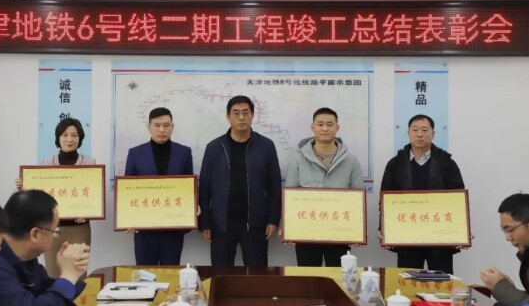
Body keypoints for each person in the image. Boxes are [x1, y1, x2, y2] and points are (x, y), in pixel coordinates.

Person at [199, 95, 282, 267]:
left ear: (252, 115)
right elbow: (205, 188)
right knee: (221, 275)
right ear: (228, 116)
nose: (241, 117)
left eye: (245, 112)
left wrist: (273, 220)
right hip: (221, 225)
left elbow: (274, 186)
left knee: (257, 276)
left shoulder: (266, 146)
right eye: (236, 113)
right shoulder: (214, 147)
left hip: (255, 224)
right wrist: (204, 223)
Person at [380, 114, 465, 274]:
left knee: (442, 281)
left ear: (433, 133)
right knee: (408, 280)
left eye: (424, 130)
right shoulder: (395, 164)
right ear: (408, 133)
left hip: (440, 236)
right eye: (415, 130)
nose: (419, 134)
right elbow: (385, 200)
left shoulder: (446, 163)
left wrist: (462, 231)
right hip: (407, 235)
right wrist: (384, 229)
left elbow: (458, 201)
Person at [284, 107, 364, 267]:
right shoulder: (298, 159)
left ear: (337, 128)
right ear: (312, 127)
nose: (325, 128)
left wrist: (358, 229)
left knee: (338, 276)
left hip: (339, 231)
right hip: (306, 231)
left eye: (329, 124)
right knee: (309, 277)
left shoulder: (351, 160)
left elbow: (358, 198)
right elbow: (290, 196)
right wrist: (288, 227)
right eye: (320, 124)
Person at [16, 117, 95, 277]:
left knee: (78, 275)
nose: (69, 139)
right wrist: (25, 186)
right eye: (65, 135)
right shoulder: (45, 164)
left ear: (80, 138)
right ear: (58, 138)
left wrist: (88, 211)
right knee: (52, 274)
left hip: (79, 228)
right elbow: (39, 196)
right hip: (52, 228)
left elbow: (93, 194)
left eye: (74, 135)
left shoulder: (90, 163)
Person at [125, 107, 194, 265]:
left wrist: (193, 206)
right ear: (149, 127)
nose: (162, 130)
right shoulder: (135, 153)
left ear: (172, 127)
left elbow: (189, 187)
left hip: (173, 229)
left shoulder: (184, 153)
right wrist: (128, 218)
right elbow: (127, 190)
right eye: (157, 125)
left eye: (166, 125)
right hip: (144, 228)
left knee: (170, 273)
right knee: (145, 273)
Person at [480, 192, 529, 306]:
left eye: (510, 230)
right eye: (505, 231)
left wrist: (500, 287)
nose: (508, 238)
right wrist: (509, 289)